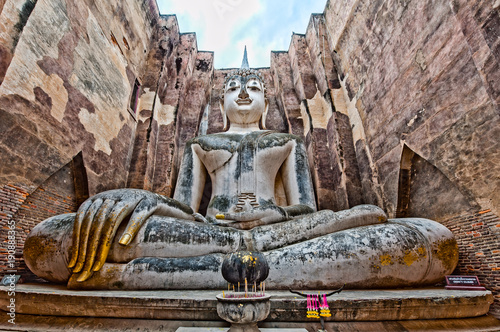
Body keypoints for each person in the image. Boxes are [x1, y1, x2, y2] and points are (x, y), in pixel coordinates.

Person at [24, 60, 458, 290]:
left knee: (421, 237)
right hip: (208, 234)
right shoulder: (201, 144)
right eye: (234, 88)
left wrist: (274, 218)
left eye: (253, 88)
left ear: (266, 101)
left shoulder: (286, 142)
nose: (244, 93)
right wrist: (141, 201)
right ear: (222, 102)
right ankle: (267, 271)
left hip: (284, 235)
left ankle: (148, 276)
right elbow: (180, 206)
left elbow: (306, 206)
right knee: (53, 239)